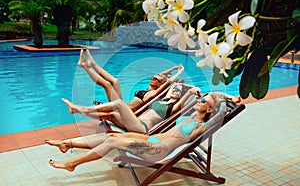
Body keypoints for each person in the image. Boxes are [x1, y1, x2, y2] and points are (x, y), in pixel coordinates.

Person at [46, 92, 228, 172]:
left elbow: (220, 116)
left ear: (210, 110)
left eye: (205, 100)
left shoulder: (200, 127)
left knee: (112, 142)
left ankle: (72, 163)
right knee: (112, 136)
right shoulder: (189, 116)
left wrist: (227, 99)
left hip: (157, 150)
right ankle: (67, 144)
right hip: (150, 139)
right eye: (203, 97)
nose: (201, 99)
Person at [61, 83, 198, 133]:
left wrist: (192, 90)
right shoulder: (164, 99)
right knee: (110, 115)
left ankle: (82, 109)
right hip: (134, 122)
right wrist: (176, 85)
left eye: (179, 90)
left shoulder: (173, 107)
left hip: (141, 127)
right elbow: (172, 87)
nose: (175, 90)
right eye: (174, 89)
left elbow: (189, 94)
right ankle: (78, 110)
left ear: (181, 96)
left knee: (119, 104)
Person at [78, 49, 184, 112]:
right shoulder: (149, 89)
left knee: (107, 84)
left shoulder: (154, 93)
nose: (152, 78)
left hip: (124, 114)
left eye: (155, 79)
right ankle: (92, 64)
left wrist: (179, 72)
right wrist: (174, 68)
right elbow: (162, 75)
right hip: (122, 107)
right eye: (152, 77)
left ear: (159, 84)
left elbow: (168, 81)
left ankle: (85, 67)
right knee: (115, 81)